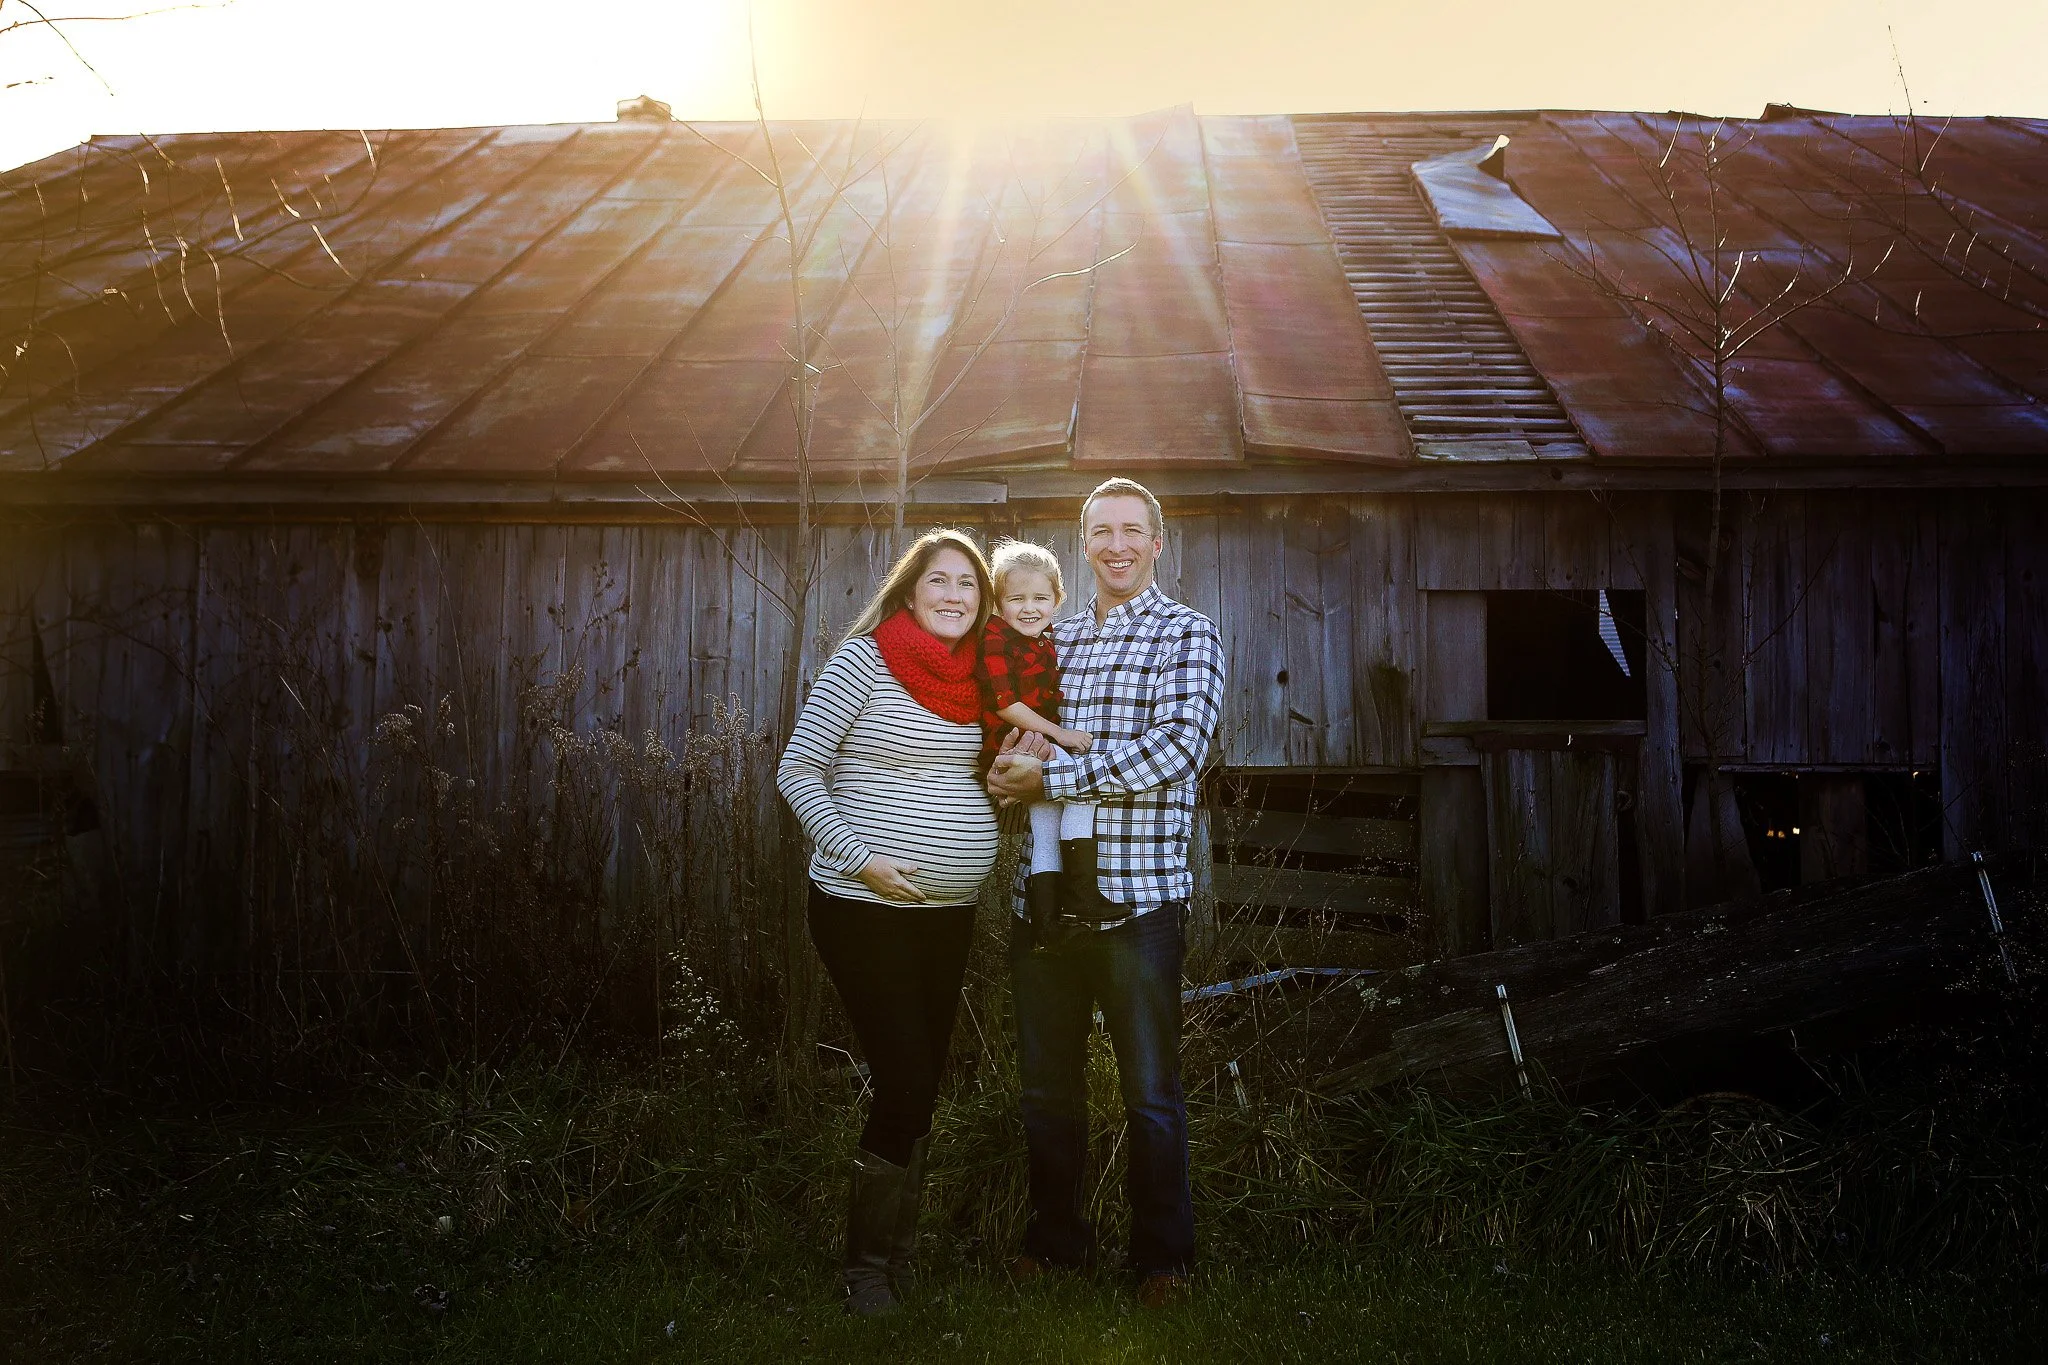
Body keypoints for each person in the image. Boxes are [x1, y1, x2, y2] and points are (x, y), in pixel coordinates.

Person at [984, 478, 1226, 1307]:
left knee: (1150, 1092)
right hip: (1042, 904)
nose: (1116, 545)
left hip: (1139, 904)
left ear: (1159, 542)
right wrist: (1000, 772)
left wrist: (1052, 776)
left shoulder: (1187, 634)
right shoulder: (1049, 638)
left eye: (1132, 531)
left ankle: (1163, 1260)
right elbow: (1007, 732)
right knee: (1048, 1089)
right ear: (1082, 542)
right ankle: (1055, 1244)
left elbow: (1177, 751)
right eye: (1100, 532)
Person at [775, 529, 1000, 1316]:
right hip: (860, 905)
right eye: (939, 581)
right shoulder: (864, 660)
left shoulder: (983, 679)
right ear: (910, 592)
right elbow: (798, 769)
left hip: (949, 913)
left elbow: (987, 772)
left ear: (983, 601)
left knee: (925, 1079)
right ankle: (866, 1268)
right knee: (905, 1074)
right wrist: (861, 857)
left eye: (968, 586)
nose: (953, 595)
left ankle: (898, 1253)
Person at [974, 540, 1109, 946]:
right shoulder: (996, 639)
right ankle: (1082, 894)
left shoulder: (1044, 637)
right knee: (1082, 791)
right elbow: (1004, 704)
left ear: (1058, 598)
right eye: (1016, 599)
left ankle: (1048, 918)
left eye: (1040, 598)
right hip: (1016, 741)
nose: (1029, 608)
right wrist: (1061, 734)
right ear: (998, 603)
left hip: (1032, 743)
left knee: (1047, 822)